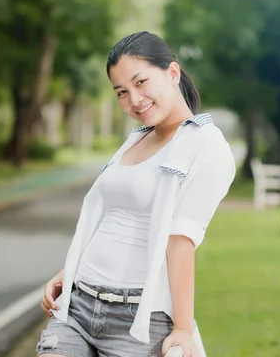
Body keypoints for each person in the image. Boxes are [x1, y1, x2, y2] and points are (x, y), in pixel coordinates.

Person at [37, 31, 236, 357]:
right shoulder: (136, 139)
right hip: (77, 307)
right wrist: (69, 272)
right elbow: (109, 217)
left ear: (172, 73)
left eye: (141, 82)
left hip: (136, 321)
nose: (133, 99)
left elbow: (181, 239)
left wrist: (183, 328)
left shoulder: (207, 145)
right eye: (121, 92)